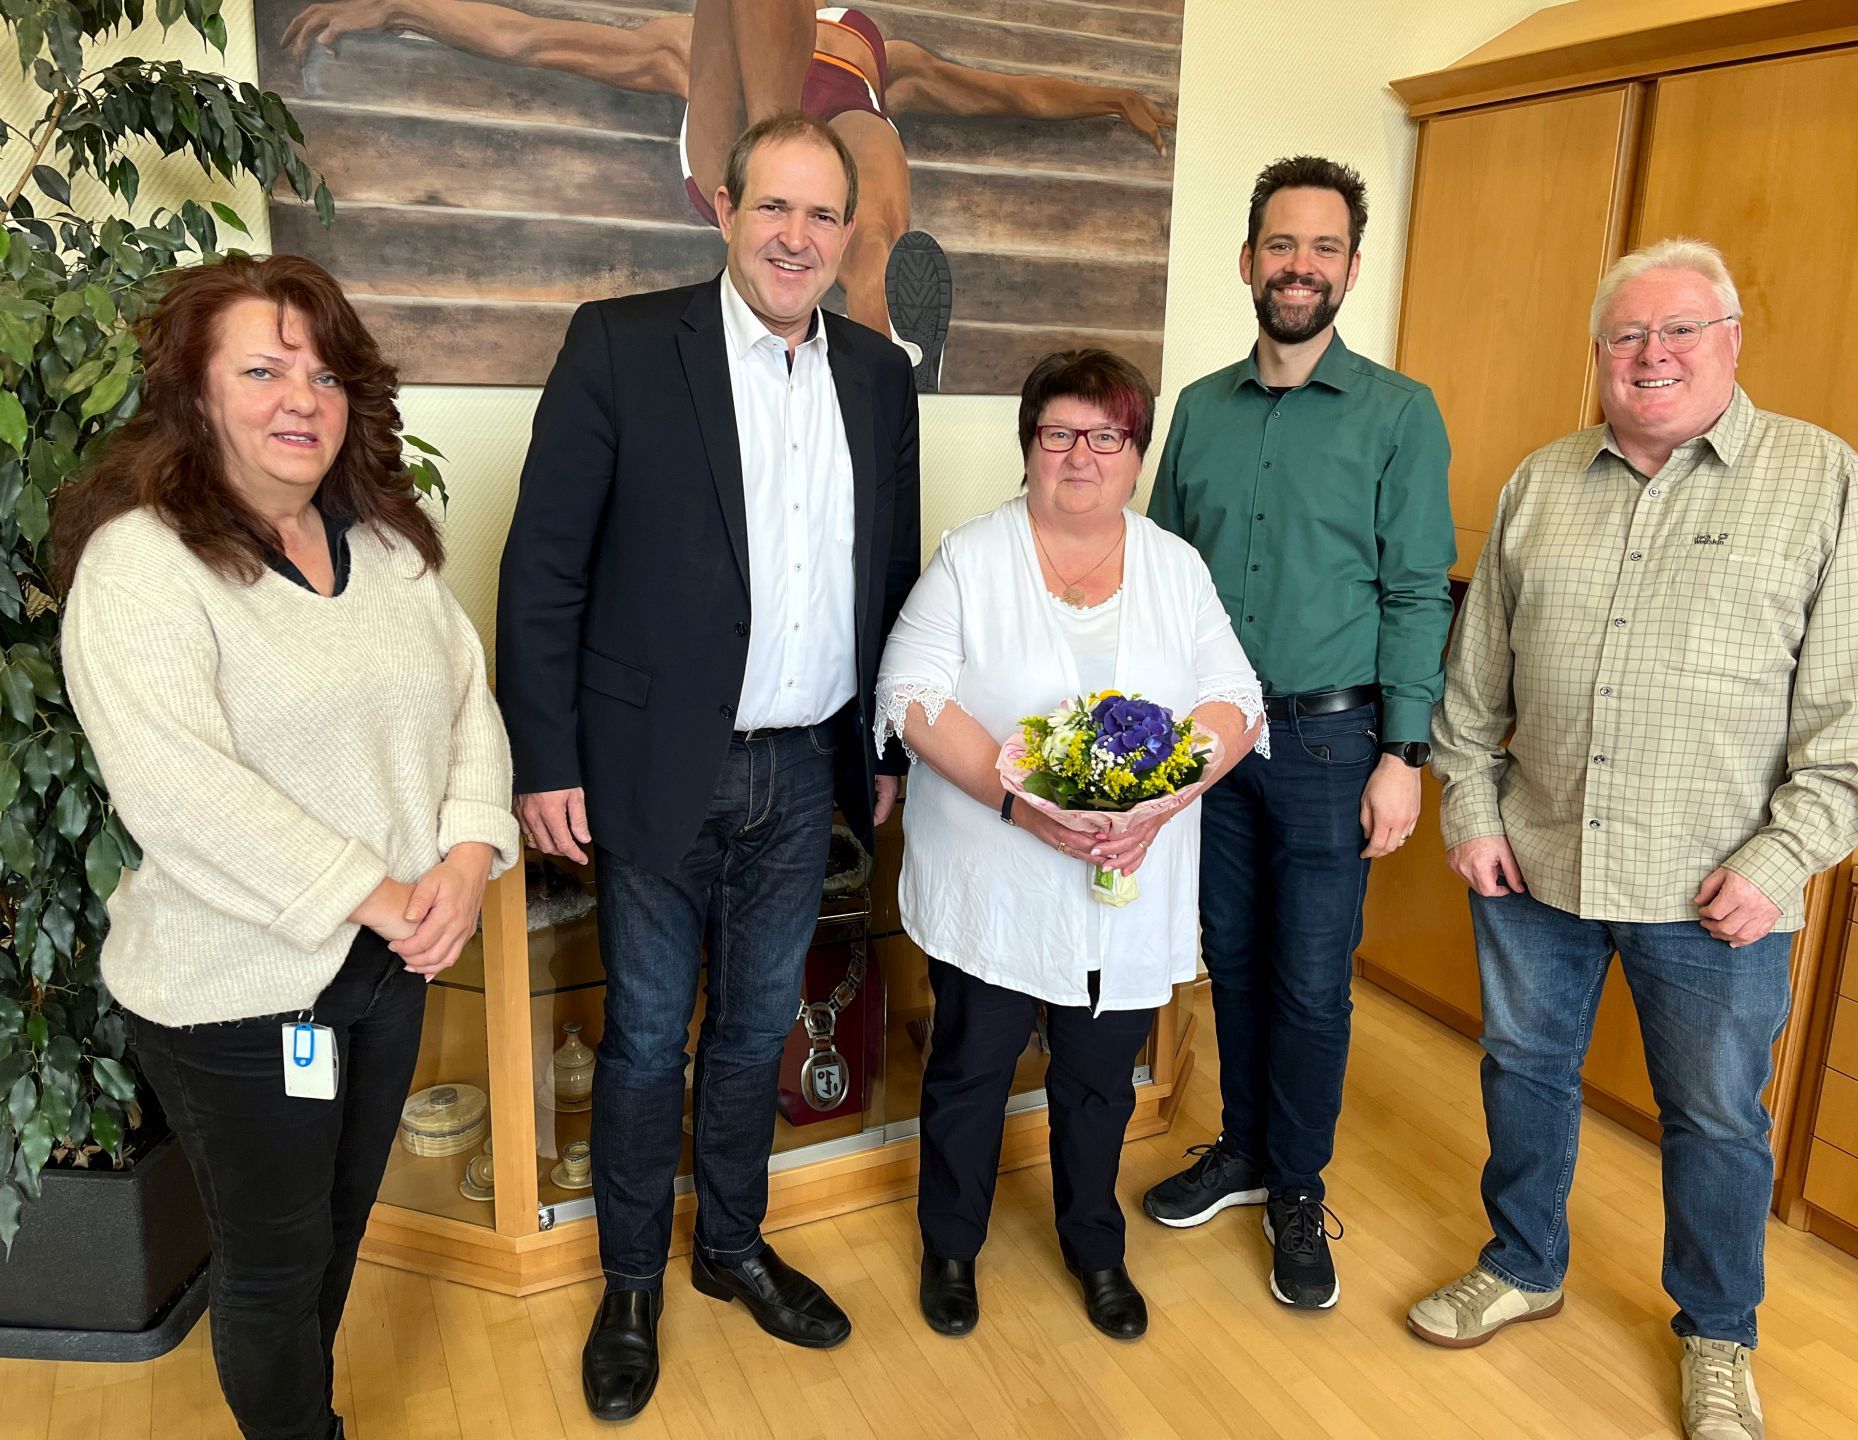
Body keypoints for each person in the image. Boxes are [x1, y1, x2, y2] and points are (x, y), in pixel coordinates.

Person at [1409, 238, 1858, 1440]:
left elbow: (1855, 719)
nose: (1654, 354)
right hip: (1536, 866)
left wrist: (1782, 860)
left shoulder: (1826, 484)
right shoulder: (1539, 483)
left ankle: (1718, 1333)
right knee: (1524, 1075)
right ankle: (1524, 1263)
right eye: (1629, 335)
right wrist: (1470, 813)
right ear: (1599, 356)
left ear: (1733, 340)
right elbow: (1472, 694)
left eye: (1682, 329)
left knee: (1720, 1119)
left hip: (1718, 893)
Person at [493, 111, 920, 1423]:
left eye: (822, 217)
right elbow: (542, 569)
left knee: (749, 1036)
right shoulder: (621, 346)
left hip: (803, 772)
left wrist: (886, 741)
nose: (798, 237)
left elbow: (889, 573)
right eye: (775, 209)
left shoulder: (876, 373)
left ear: (848, 237)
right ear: (725, 211)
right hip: (652, 765)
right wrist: (545, 755)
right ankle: (630, 1282)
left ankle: (731, 1246)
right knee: (639, 1044)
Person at [53, 254, 517, 1440]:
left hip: (387, 969)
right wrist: (377, 891)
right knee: (271, 1262)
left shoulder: (392, 552)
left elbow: (471, 704)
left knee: (338, 1228)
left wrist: (466, 860)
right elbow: (180, 788)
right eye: (262, 369)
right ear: (196, 395)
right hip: (235, 994)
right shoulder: (141, 565)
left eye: (322, 372)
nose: (301, 397)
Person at [876, 349, 1265, 1342]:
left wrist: (1161, 801)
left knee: (1098, 1082)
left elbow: (1237, 703)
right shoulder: (974, 557)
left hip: (1129, 881)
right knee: (970, 1068)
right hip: (995, 874)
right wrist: (1025, 807)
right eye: (1059, 434)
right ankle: (952, 1245)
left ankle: (1095, 1246)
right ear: (1029, 448)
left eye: (1108, 436)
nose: (1082, 456)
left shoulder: (1176, 568)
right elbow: (912, 693)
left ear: (1137, 455)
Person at [1141, 156, 1455, 1310]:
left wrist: (1403, 756)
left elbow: (1420, 591)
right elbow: (1160, 577)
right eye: (1283, 245)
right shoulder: (1200, 411)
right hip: (1216, 744)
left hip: (1333, 748)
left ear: (1351, 271)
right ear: (1248, 261)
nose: (1301, 266)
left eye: (1324, 249)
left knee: (1313, 982)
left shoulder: (1397, 415)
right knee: (1229, 958)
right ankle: (1244, 1150)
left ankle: (1297, 1188)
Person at [280, 0, 1177, 389]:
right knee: (799, 152)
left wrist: (1111, 98)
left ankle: (887, 346)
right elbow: (530, 40)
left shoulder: (872, 45)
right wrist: (399, 11)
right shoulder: (686, 37)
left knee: (856, 146)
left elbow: (1006, 92)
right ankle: (805, 213)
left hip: (843, 164)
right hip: (734, 162)